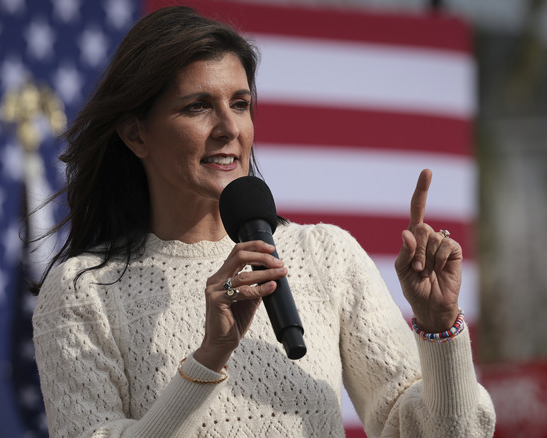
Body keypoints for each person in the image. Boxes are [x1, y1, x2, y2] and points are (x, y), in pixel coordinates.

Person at [32, 6, 496, 438]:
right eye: (197, 106)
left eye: (239, 103)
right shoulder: (82, 290)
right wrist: (209, 357)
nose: (229, 127)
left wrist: (439, 327)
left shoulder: (325, 255)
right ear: (136, 134)